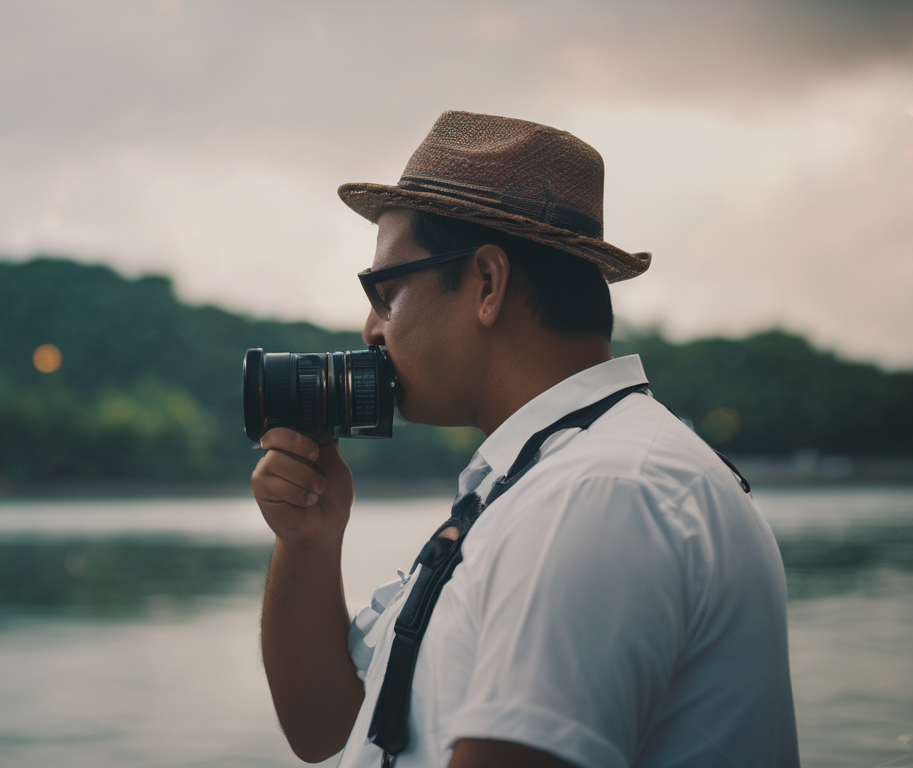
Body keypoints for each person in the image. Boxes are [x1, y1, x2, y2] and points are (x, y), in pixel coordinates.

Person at [250, 112, 799, 768]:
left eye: (386, 291)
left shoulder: (600, 494)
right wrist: (308, 542)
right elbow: (329, 729)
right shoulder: (544, 479)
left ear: (486, 283)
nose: (371, 329)